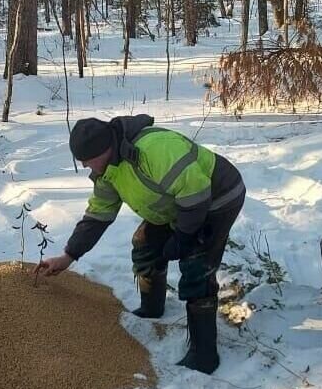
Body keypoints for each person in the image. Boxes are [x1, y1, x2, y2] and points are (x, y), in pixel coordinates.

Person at [36, 114, 245, 374]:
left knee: (195, 267)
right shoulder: (107, 170)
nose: (87, 167)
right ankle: (152, 308)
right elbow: (98, 215)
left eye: (88, 161)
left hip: (217, 198)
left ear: (105, 149)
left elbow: (195, 191)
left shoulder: (153, 150)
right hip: (178, 204)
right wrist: (68, 256)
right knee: (145, 243)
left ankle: (204, 356)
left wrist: (182, 237)